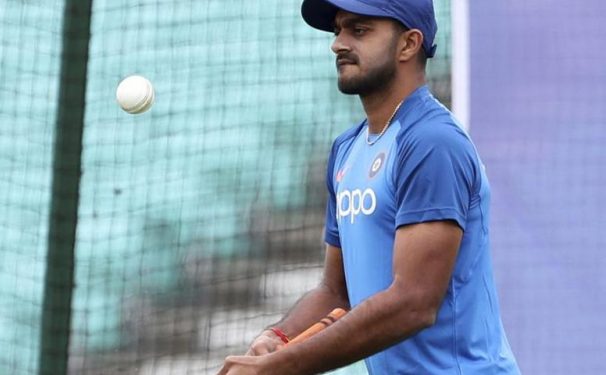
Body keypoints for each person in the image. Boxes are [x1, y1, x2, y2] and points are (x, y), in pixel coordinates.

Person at [218, 0, 521, 374]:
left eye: (359, 30)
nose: (338, 44)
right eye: (338, 31)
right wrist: (278, 338)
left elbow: (414, 303)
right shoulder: (346, 149)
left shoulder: (431, 142)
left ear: (408, 44)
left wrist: (283, 367)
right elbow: (336, 292)